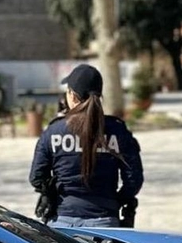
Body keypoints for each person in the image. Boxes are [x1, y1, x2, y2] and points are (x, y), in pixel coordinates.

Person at [29, 64, 143, 229]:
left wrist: (51, 194)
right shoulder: (118, 131)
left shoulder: (54, 131)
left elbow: (36, 177)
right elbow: (134, 180)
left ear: (73, 96)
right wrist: (116, 200)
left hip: (62, 221)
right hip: (106, 223)